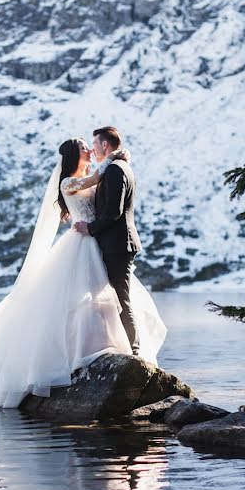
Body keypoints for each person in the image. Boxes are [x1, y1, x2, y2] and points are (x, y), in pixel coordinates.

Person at [0, 135, 167, 408]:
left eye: (90, 146)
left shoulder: (93, 174)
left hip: (95, 241)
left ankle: (102, 349)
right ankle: (76, 356)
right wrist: (114, 157)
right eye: (83, 149)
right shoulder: (69, 182)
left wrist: (112, 161)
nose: (89, 150)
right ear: (71, 157)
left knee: (101, 299)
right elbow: (92, 182)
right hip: (81, 243)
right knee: (80, 300)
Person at [73, 126, 141, 354]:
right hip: (115, 243)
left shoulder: (114, 170)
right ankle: (118, 347)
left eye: (94, 144)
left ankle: (134, 351)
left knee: (121, 299)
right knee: (113, 299)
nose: (92, 149)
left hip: (118, 244)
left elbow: (113, 212)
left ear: (104, 145)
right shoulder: (116, 167)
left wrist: (89, 228)